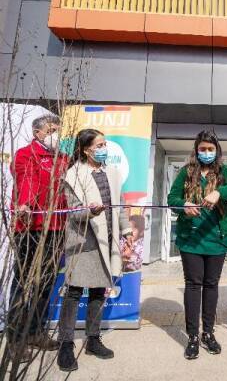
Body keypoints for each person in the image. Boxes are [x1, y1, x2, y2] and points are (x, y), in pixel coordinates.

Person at [57, 128, 133, 372]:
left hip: (106, 240)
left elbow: (119, 206)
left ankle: (92, 339)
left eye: (104, 144)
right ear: (85, 149)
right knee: (74, 293)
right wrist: (92, 211)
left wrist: (126, 231)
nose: (103, 149)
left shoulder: (112, 172)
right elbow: (74, 213)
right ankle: (66, 344)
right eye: (98, 145)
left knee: (100, 292)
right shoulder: (73, 174)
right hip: (83, 242)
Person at [167, 130, 227, 360]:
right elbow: (172, 199)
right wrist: (183, 204)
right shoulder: (186, 172)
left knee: (211, 285)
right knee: (193, 284)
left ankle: (208, 333)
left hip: (217, 238)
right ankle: (193, 336)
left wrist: (219, 191)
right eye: (202, 149)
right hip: (192, 239)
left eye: (210, 149)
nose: (206, 153)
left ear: (216, 150)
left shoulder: (225, 171)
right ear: (196, 150)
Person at [8, 114, 68, 362]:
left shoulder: (63, 159)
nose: (57, 135)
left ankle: (36, 331)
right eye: (52, 130)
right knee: (23, 284)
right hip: (30, 227)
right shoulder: (26, 154)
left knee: (45, 284)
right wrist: (26, 204)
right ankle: (16, 339)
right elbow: (27, 181)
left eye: (58, 131)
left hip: (56, 229)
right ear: (38, 133)